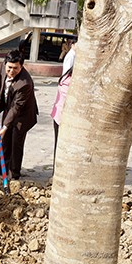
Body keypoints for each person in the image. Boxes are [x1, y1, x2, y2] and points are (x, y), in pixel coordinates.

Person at [0, 50, 38, 180]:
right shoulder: (4, 66)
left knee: (16, 142)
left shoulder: (24, 83)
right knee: (5, 141)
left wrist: (5, 127)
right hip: (9, 107)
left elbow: (17, 108)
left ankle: (13, 172)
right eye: (9, 67)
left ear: (22, 66)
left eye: (15, 68)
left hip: (23, 115)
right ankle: (1, 167)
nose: (11, 71)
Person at [51, 40, 77, 169]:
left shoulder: (67, 80)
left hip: (60, 117)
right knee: (61, 146)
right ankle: (57, 170)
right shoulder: (69, 82)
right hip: (62, 118)